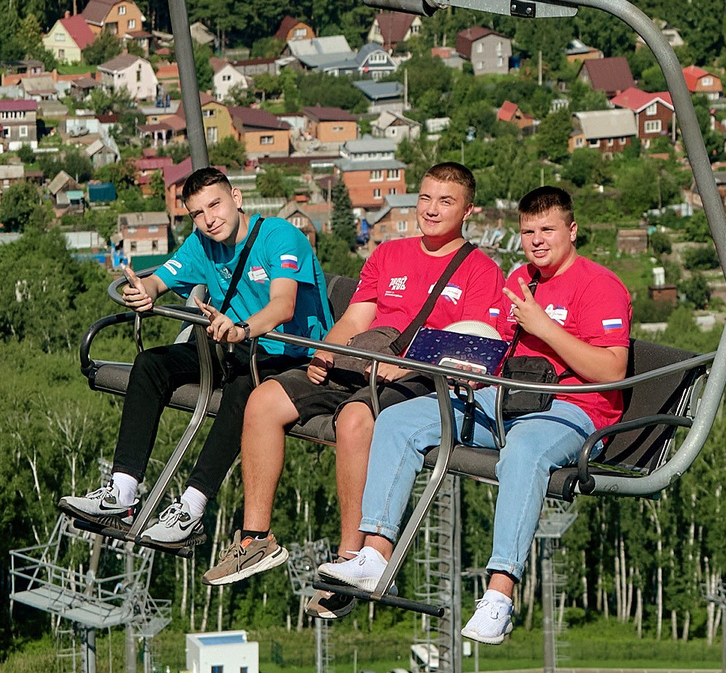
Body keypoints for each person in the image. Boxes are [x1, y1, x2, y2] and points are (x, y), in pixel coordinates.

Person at [320, 186, 631, 646]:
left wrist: (544, 326)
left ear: (572, 230)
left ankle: (500, 593)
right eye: (529, 232)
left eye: (548, 230)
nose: (538, 240)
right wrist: (468, 367)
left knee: (523, 453)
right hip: (505, 399)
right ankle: (375, 552)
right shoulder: (519, 280)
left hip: (573, 407)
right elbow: (492, 343)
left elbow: (611, 370)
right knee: (399, 421)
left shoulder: (599, 286)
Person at [205, 163, 505, 590]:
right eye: (425, 198)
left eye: (445, 201)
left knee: (353, 420)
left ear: (468, 210)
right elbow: (357, 316)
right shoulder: (389, 254)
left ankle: (351, 556)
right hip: (364, 359)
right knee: (264, 400)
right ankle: (256, 539)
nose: (431, 210)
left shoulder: (480, 271)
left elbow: (469, 346)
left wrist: (406, 367)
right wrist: (326, 351)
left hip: (420, 376)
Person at [61, 165, 329, 546]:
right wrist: (146, 291)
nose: (208, 220)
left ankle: (192, 507)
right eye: (197, 214)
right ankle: (122, 492)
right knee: (151, 364)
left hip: (285, 353)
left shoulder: (279, 237)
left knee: (242, 391)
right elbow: (161, 277)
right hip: (234, 344)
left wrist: (243, 329)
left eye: (215, 206)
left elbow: (284, 306)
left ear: (236, 198)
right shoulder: (202, 245)